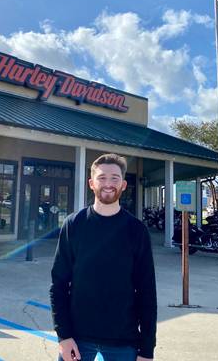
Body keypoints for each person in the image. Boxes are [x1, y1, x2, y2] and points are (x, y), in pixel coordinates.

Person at [50, 153, 157, 361]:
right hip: (77, 339)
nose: (108, 184)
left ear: (124, 185)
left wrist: (146, 349)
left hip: (124, 342)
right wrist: (63, 336)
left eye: (115, 178)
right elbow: (59, 285)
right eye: (102, 178)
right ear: (91, 183)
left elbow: (147, 292)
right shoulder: (74, 225)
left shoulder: (137, 230)